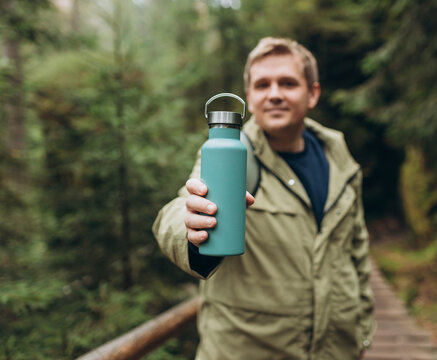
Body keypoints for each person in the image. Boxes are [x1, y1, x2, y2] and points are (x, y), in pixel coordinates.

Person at [153, 37, 374, 360]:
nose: (274, 94)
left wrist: (363, 333)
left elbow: (358, 252)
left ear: (312, 93)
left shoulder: (340, 160)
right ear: (249, 98)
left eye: (287, 83)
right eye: (262, 85)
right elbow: (175, 213)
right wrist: (190, 227)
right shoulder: (229, 155)